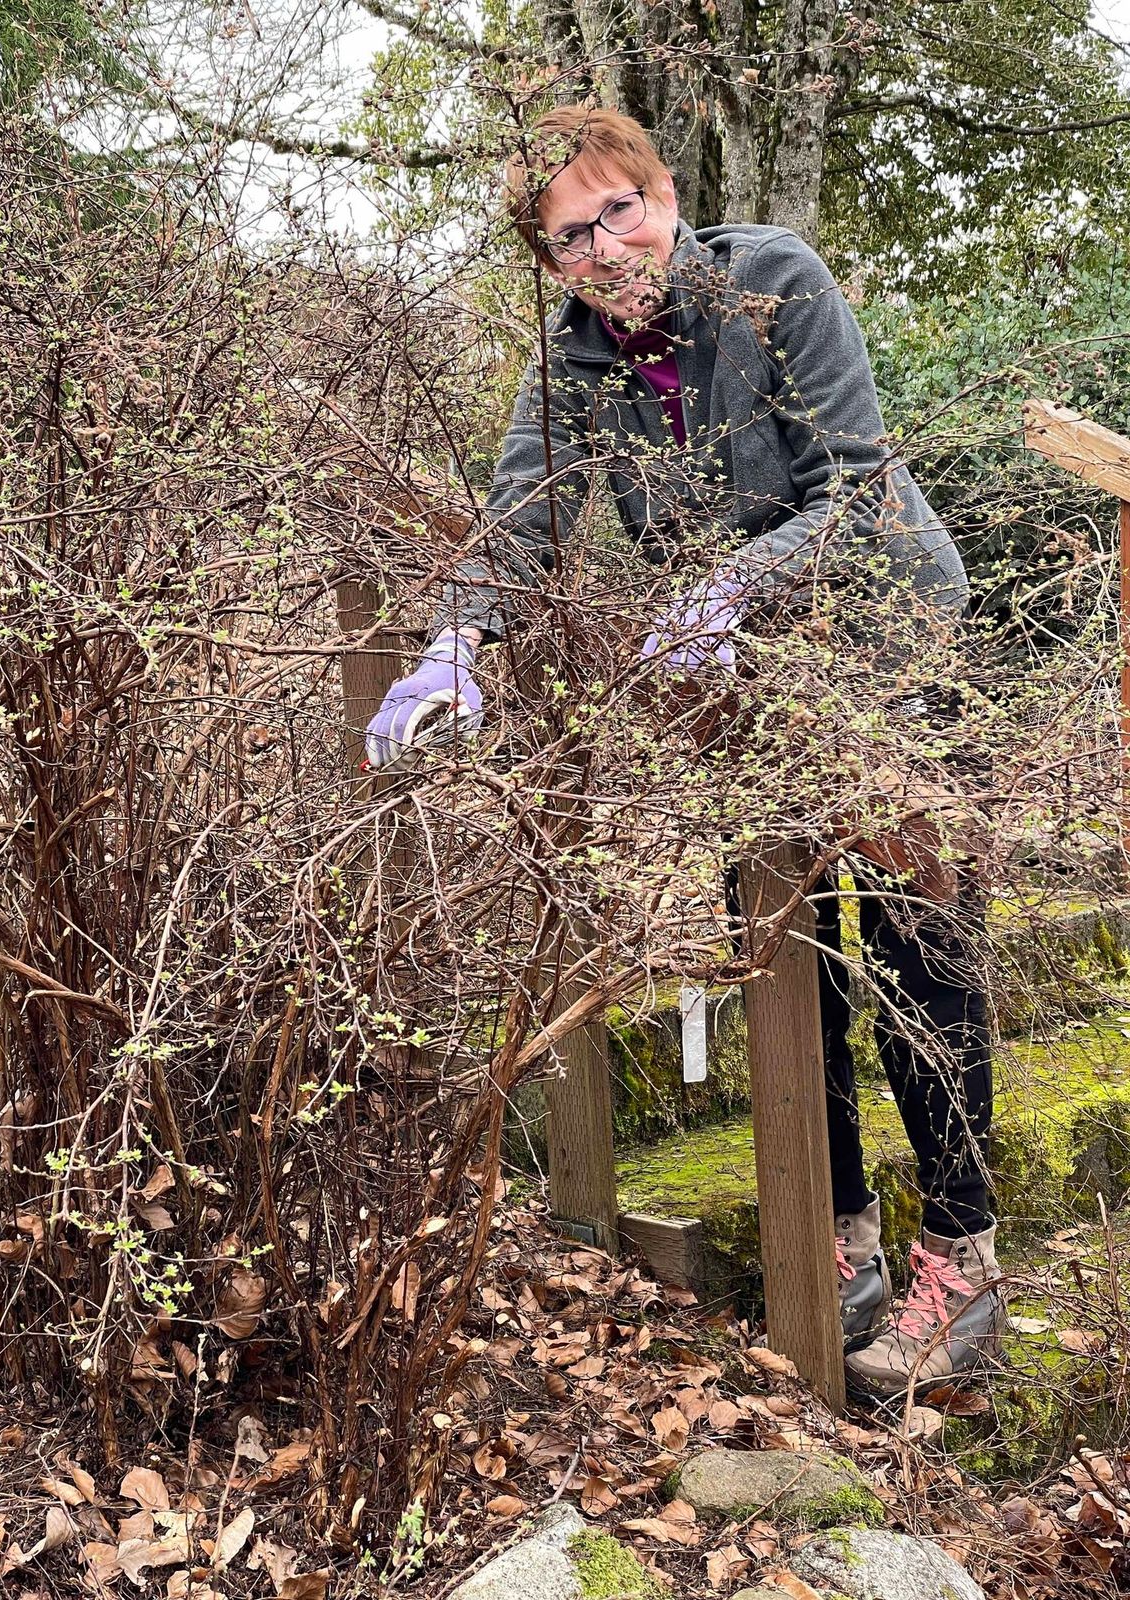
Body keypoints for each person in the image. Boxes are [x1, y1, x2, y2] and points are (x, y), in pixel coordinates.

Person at [364, 104, 1003, 1399]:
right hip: (751, 695)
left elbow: (859, 484)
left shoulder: (773, 282)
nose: (608, 244)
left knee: (916, 951)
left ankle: (964, 1262)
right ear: (549, 265)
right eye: (571, 235)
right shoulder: (575, 366)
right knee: (782, 955)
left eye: (623, 207)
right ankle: (840, 1240)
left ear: (664, 192)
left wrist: (727, 588)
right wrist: (456, 647)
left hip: (885, 648)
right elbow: (520, 522)